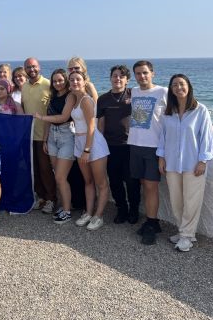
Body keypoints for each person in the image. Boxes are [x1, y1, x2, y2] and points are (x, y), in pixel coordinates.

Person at [157, 74, 213, 252]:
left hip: (193, 164)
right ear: (171, 89)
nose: (178, 88)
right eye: (174, 85)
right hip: (172, 163)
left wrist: (203, 160)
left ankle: (187, 236)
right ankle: (183, 231)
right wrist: (161, 157)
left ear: (188, 86)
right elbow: (163, 137)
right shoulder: (169, 112)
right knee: (176, 200)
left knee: (192, 201)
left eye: (181, 84)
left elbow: (207, 136)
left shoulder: (200, 110)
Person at [128, 60, 168, 245]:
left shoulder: (163, 92)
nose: (142, 76)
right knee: (144, 183)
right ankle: (153, 221)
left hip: (153, 147)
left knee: (151, 186)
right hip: (135, 145)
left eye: (145, 72)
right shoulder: (134, 91)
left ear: (153, 73)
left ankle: (151, 224)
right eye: (138, 73)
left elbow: (186, 109)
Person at [65, 70, 109, 230]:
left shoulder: (86, 100)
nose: (75, 82)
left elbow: (92, 125)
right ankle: (89, 213)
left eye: (78, 79)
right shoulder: (74, 100)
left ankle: (98, 216)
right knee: (88, 181)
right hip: (79, 141)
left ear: (84, 81)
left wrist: (87, 150)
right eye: (72, 80)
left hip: (93, 144)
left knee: (101, 183)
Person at [97, 65, 141, 224]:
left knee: (131, 181)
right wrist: (100, 145)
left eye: (121, 76)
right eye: (115, 76)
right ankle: (121, 209)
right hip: (111, 146)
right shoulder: (103, 99)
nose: (118, 79)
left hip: (130, 146)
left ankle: (134, 210)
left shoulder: (135, 94)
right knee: (115, 181)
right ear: (110, 78)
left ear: (127, 80)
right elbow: (100, 124)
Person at [34, 69, 77, 223]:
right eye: (55, 81)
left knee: (60, 177)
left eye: (60, 80)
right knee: (57, 176)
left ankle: (66, 211)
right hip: (52, 136)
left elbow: (64, 117)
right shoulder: (53, 97)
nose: (58, 83)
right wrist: (45, 140)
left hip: (67, 136)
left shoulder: (70, 96)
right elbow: (49, 122)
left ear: (65, 80)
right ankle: (65, 205)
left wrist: (41, 116)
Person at [21, 57, 56, 214]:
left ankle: (51, 199)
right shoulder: (24, 87)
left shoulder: (48, 84)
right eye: (28, 67)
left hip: (45, 134)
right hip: (30, 136)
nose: (31, 69)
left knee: (46, 169)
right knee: (34, 169)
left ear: (39, 67)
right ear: (25, 69)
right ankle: (41, 197)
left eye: (34, 66)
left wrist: (48, 137)